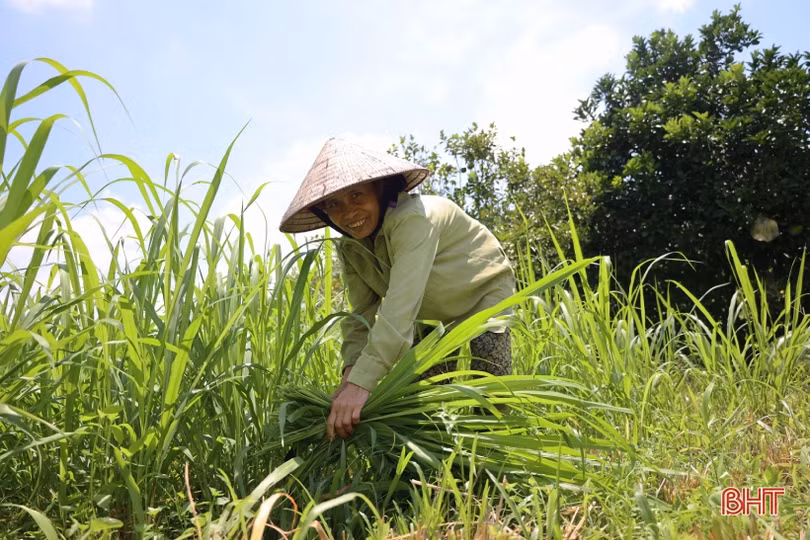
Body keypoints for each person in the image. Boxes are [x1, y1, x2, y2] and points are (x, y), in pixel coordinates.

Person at [279, 138, 516, 441]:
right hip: (429, 311)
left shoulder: (413, 220)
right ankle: (443, 466)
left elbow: (398, 309)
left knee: (490, 383)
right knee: (432, 396)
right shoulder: (352, 248)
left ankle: (491, 457)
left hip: (482, 291)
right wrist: (350, 374)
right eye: (334, 205)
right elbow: (361, 313)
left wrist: (362, 386)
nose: (349, 213)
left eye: (356, 196)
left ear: (380, 190)